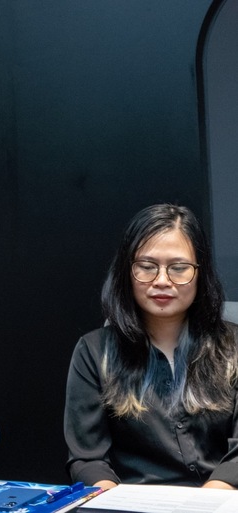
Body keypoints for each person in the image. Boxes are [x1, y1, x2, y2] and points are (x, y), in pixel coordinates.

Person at [64, 204, 238, 489]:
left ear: (201, 272)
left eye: (178, 268)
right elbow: (88, 459)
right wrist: (111, 502)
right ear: (127, 271)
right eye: (146, 267)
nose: (162, 281)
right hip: (133, 502)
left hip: (224, 499)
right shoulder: (94, 352)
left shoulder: (234, 347)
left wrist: (208, 501)